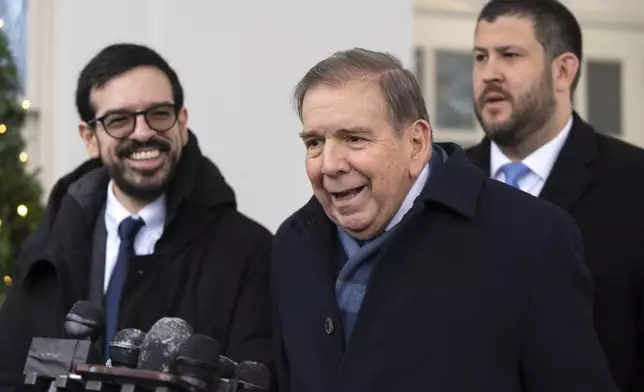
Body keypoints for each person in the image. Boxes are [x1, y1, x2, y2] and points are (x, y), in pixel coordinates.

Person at [270, 47, 618, 392]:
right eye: (315, 142)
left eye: (355, 138)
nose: (330, 164)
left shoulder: (532, 240)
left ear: (417, 143)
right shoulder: (293, 243)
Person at [0, 43, 273, 388]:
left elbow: (258, 377)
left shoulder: (248, 252)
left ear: (182, 123)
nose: (143, 132)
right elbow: (11, 373)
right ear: (90, 137)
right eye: (119, 120)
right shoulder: (50, 246)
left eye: (158, 113)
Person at [465, 1, 644, 390]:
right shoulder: (442, 185)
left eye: (509, 56)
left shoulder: (634, 184)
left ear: (563, 71)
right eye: (480, 57)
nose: (488, 74)